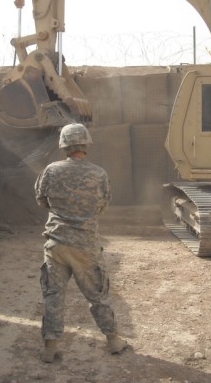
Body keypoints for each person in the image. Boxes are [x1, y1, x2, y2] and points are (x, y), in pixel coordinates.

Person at [34, 123, 128, 363]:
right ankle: (114, 341)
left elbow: (41, 199)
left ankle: (50, 347)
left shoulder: (51, 170)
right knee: (97, 294)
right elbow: (103, 205)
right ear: (85, 144)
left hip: (56, 244)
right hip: (85, 246)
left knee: (53, 296)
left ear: (63, 145)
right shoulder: (98, 173)